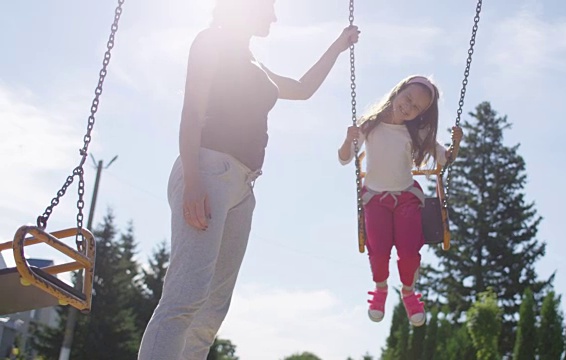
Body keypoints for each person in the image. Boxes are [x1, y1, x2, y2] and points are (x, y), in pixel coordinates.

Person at [138, 0, 360, 358]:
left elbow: (302, 88)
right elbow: (192, 111)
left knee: (212, 311)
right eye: (267, 8)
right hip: (207, 171)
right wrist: (193, 181)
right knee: (185, 298)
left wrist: (337, 45)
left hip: (243, 188)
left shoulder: (255, 64)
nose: (274, 16)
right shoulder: (211, 41)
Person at [338, 75, 463, 327]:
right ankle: (380, 289)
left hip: (406, 198)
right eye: (407, 98)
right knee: (378, 249)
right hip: (375, 199)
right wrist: (347, 138)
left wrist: (456, 145)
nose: (408, 106)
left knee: (408, 251)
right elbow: (344, 158)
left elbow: (444, 161)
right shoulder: (370, 125)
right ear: (398, 91)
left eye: (416, 107)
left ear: (422, 113)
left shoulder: (417, 131)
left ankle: (408, 293)